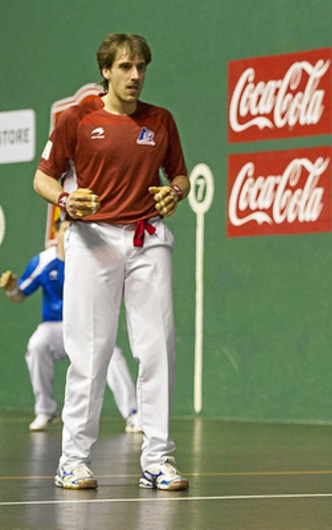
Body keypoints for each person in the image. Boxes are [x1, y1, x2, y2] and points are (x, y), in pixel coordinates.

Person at [32, 33, 190, 491]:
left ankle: (157, 459)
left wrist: (175, 192)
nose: (135, 76)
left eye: (141, 67)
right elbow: (42, 178)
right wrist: (66, 199)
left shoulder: (160, 120)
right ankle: (72, 460)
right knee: (90, 352)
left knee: (158, 349)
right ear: (106, 70)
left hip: (147, 238)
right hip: (92, 240)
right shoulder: (76, 119)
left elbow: (179, 175)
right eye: (125, 67)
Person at [1, 219, 142, 434]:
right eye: (65, 230)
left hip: (87, 327)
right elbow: (19, 295)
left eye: (73, 230)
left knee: (113, 356)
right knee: (37, 345)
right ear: (56, 233)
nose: (69, 235)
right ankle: (46, 411)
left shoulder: (92, 259)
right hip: (55, 327)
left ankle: (133, 414)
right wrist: (12, 289)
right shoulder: (43, 261)